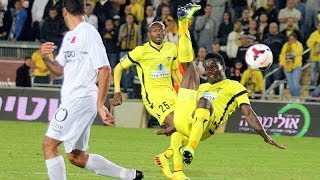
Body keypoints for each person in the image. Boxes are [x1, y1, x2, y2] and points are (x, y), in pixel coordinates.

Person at [40, 1, 143, 179]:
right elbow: (59, 70)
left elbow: (105, 68)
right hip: (75, 99)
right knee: (76, 156)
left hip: (80, 98)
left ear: (64, 11)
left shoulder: (88, 33)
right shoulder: (70, 37)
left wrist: (100, 105)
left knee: (49, 144)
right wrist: (45, 58)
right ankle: (129, 175)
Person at [155, 52, 286, 179]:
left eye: (213, 66)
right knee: (177, 136)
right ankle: (174, 168)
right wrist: (174, 126)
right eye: (207, 68)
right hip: (194, 123)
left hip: (209, 126)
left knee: (204, 101)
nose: (210, 71)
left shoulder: (234, 86)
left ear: (223, 67)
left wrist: (265, 136)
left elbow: (248, 113)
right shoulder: (201, 87)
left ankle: (190, 148)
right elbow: (188, 112)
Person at [112, 3, 201, 135]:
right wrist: (117, 92)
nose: (159, 33)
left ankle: (172, 153)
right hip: (153, 97)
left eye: (161, 30)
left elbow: (175, 71)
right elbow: (118, 68)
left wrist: (184, 90)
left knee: (186, 125)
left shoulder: (171, 48)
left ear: (165, 32)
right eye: (155, 30)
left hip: (170, 93)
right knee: (180, 126)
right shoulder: (140, 51)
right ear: (149, 34)